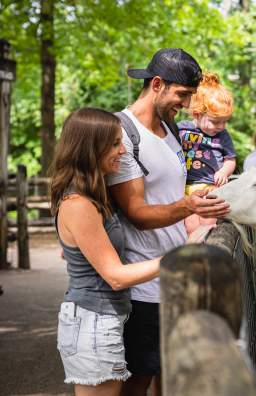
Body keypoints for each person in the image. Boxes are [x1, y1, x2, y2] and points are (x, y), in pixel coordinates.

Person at [107, 48, 230, 396]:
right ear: (157, 84)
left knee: (172, 375)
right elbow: (137, 212)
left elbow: (172, 193)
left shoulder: (170, 128)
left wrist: (199, 205)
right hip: (143, 281)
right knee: (139, 379)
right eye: (182, 95)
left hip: (176, 276)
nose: (187, 103)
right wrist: (189, 205)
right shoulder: (122, 132)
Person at [50, 108, 162, 396]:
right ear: (90, 148)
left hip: (103, 319)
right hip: (92, 322)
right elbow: (115, 276)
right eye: (114, 144)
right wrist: (173, 261)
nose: (123, 150)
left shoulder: (93, 194)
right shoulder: (78, 203)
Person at [178, 72, 236, 234]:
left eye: (225, 122)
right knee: (190, 227)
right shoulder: (181, 129)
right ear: (197, 114)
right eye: (216, 122)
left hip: (209, 185)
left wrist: (224, 171)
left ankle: (208, 253)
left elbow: (230, 159)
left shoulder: (222, 136)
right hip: (184, 187)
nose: (222, 127)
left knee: (208, 225)